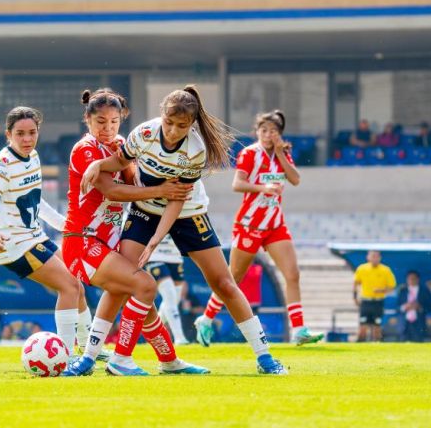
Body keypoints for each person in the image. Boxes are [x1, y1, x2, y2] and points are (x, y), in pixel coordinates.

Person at [80, 85, 287, 375]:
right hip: (145, 209)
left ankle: (265, 357)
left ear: (191, 124)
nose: (174, 131)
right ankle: (89, 357)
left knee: (224, 283)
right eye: (169, 123)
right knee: (122, 281)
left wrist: (154, 241)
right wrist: (100, 163)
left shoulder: (195, 150)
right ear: (161, 115)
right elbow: (122, 160)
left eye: (182, 126)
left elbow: (176, 201)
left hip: (188, 212)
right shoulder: (144, 133)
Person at [60, 88, 207, 376]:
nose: (108, 128)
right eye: (101, 121)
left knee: (134, 298)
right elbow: (113, 191)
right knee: (146, 287)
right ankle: (120, 360)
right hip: (82, 241)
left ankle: (163, 361)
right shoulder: (85, 149)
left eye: (114, 121)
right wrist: (161, 190)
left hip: (107, 241)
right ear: (87, 120)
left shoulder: (121, 144)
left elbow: (134, 181)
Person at [198, 109, 322, 345]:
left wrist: (281, 155)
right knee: (233, 277)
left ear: (279, 134)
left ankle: (299, 330)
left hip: (275, 224)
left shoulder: (283, 153)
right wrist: (262, 189)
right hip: (250, 224)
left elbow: (295, 179)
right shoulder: (249, 154)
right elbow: (237, 184)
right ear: (257, 132)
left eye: (273, 131)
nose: (268, 134)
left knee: (293, 274)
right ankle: (205, 319)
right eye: (264, 130)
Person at [0, 106, 82, 354]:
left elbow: (35, 200)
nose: (27, 139)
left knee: (79, 283)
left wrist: (64, 225)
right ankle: (66, 356)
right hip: (15, 245)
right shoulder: (2, 165)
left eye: (32, 132)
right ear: (8, 134)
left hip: (35, 237)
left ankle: (88, 349)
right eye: (20, 133)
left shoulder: (33, 156)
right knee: (70, 286)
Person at [145, 235, 191, 344]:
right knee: (169, 295)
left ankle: (153, 334)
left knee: (174, 299)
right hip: (154, 254)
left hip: (175, 255)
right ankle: (180, 338)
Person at [353, 250, 396, 342]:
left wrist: (381, 290)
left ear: (380, 258)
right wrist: (355, 297)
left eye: (376, 256)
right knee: (362, 326)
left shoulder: (385, 270)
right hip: (366, 301)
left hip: (378, 301)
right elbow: (356, 283)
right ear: (368, 257)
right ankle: (360, 345)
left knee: (377, 326)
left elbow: (392, 287)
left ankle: (378, 345)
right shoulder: (362, 269)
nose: (375, 258)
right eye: (372, 256)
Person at [396, 270, 431, 342]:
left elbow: (430, 308)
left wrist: (419, 307)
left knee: (418, 343)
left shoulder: (424, 291)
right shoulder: (402, 291)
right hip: (405, 323)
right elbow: (397, 308)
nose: (411, 280)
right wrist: (404, 307)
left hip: (419, 323)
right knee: (402, 345)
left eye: (413, 278)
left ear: (418, 279)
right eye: (409, 279)